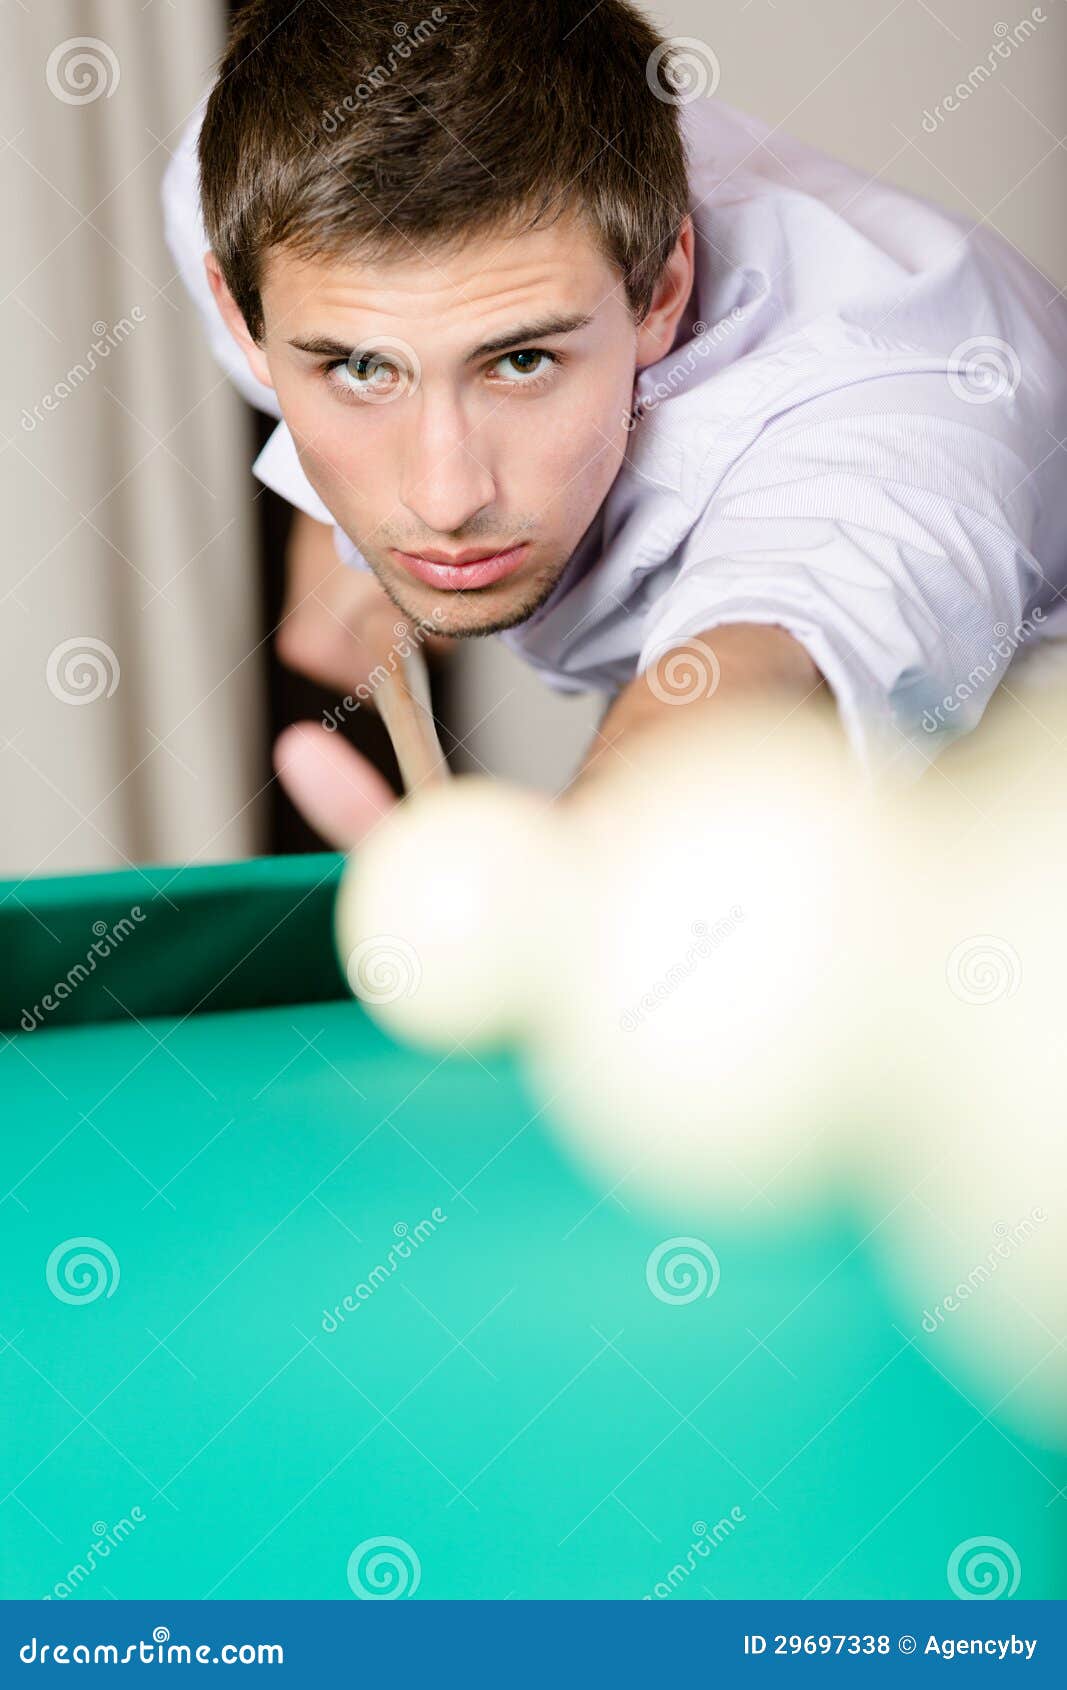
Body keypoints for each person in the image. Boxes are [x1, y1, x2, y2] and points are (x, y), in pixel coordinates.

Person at [163, 0, 1067, 847]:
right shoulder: (251, 174)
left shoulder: (908, 403)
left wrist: (577, 865)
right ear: (242, 317)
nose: (444, 501)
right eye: (360, 367)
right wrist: (330, 529)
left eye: (521, 361)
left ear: (660, 293)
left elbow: (764, 661)